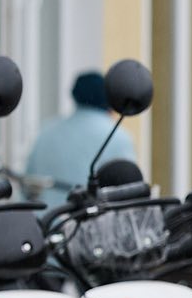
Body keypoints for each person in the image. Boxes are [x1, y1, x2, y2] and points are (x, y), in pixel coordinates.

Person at [25, 71, 138, 202]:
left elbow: (27, 185)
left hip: (47, 214)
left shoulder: (46, 131)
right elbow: (129, 191)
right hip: (93, 214)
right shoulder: (117, 136)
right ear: (110, 97)